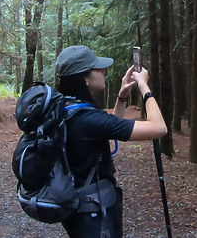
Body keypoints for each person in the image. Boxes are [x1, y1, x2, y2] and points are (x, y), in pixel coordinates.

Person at [54, 45, 167, 238]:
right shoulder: (88, 119)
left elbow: (109, 127)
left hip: (76, 208)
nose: (104, 72)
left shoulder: (64, 108)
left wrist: (122, 94)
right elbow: (159, 128)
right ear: (84, 77)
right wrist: (144, 88)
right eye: (98, 68)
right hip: (94, 212)